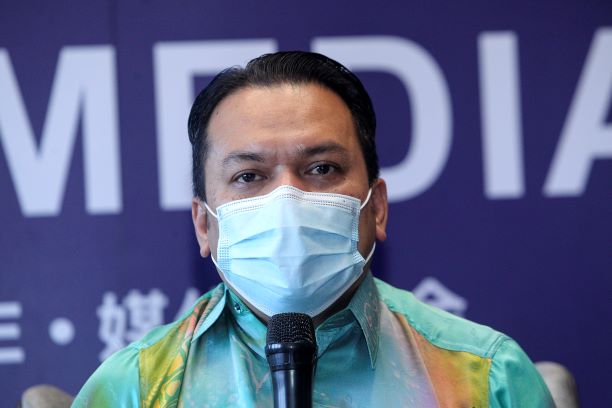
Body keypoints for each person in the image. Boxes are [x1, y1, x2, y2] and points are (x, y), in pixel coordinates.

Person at [73, 51, 554, 407]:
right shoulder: (135, 390)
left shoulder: (486, 378)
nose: (287, 197)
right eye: (249, 176)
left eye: (322, 169)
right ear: (203, 224)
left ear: (376, 207)